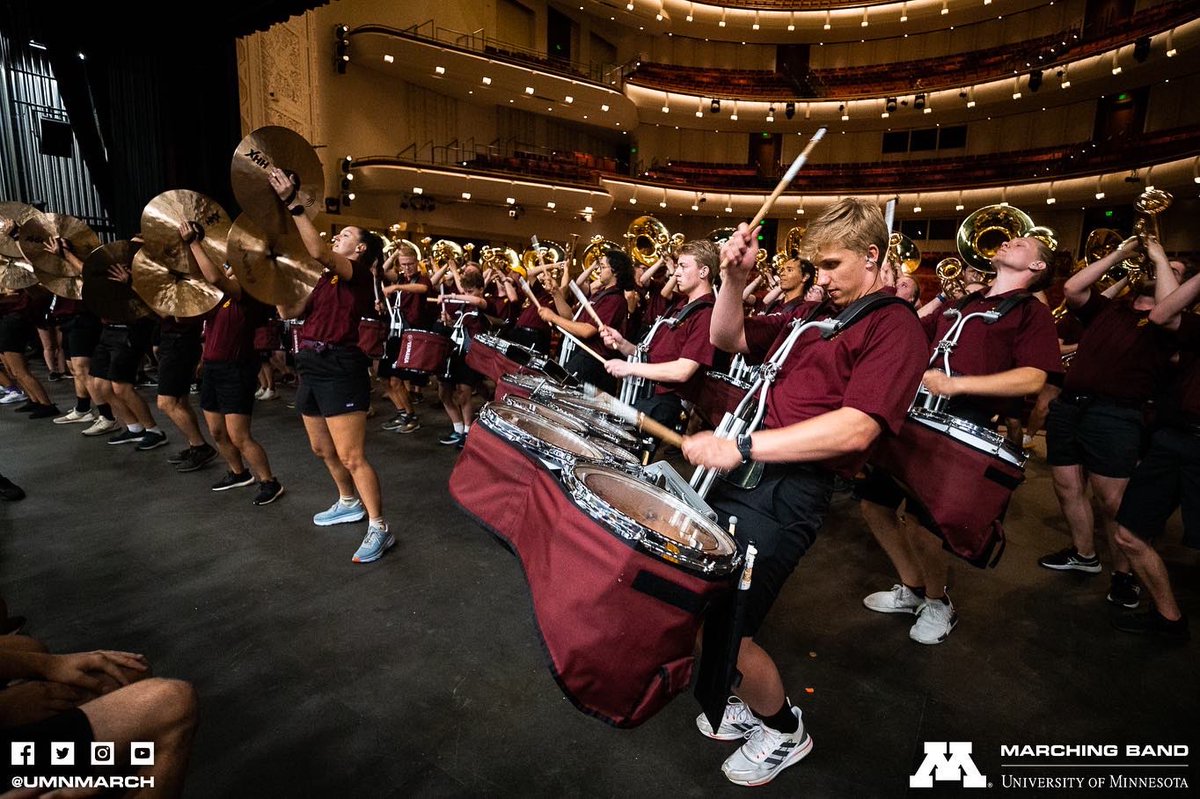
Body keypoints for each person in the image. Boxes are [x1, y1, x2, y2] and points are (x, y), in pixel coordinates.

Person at [681, 199, 928, 787]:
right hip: (745, 477)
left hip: (787, 489)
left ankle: (784, 729)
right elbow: (727, 333)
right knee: (702, 603)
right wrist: (733, 278)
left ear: (873, 257)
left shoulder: (894, 324)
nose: (819, 278)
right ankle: (739, 698)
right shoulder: (812, 321)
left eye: (831, 265)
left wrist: (742, 449)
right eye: (813, 266)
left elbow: (858, 426)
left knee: (727, 627)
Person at [857, 235, 1062, 644]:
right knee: (874, 507)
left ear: (1037, 268)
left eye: (1022, 242)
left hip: (959, 428)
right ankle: (913, 588)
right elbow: (912, 332)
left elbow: (1035, 377)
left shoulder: (1030, 312)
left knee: (920, 525)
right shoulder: (967, 303)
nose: (1009, 241)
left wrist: (957, 385)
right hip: (915, 418)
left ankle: (938, 602)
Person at [1037, 238, 1179, 607]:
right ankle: (1084, 556)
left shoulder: (1170, 324)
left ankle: (1124, 574)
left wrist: (1162, 257)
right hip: (1071, 407)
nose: (1159, 270)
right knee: (1067, 486)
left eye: (1174, 273)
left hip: (1116, 414)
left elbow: (1168, 306)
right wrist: (1121, 255)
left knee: (1114, 502)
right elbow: (1071, 288)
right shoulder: (1111, 309)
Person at [269, 167, 391, 564]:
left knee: (352, 455)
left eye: (346, 235)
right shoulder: (324, 280)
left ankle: (379, 527)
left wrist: (294, 204)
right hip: (311, 361)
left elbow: (320, 250)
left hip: (341, 365)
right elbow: (289, 310)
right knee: (322, 448)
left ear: (359, 252)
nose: (337, 236)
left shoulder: (356, 276)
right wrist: (276, 280)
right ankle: (348, 501)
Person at [1109, 254, 1199, 640]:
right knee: (1128, 533)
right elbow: (1162, 315)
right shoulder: (1195, 325)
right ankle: (1169, 618)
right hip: (1173, 438)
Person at [180, 221, 283, 503]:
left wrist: (193, 242)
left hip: (236, 369)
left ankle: (269, 481)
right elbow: (197, 278)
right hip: (213, 367)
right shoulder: (219, 297)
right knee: (216, 430)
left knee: (239, 435)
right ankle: (238, 473)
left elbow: (213, 278)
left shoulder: (247, 293)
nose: (227, 265)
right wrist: (191, 249)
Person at [600, 240, 719, 446]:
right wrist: (623, 344)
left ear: (703, 272)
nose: (676, 273)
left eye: (683, 266)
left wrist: (631, 368)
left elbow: (683, 370)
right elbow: (651, 355)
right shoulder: (681, 306)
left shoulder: (706, 314)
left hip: (665, 403)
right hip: (647, 396)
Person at [538, 249, 633, 393]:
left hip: (595, 363)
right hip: (582, 355)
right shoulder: (600, 294)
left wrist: (552, 317)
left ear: (615, 271)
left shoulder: (615, 300)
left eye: (602, 267)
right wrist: (556, 292)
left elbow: (587, 330)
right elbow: (570, 318)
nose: (599, 271)